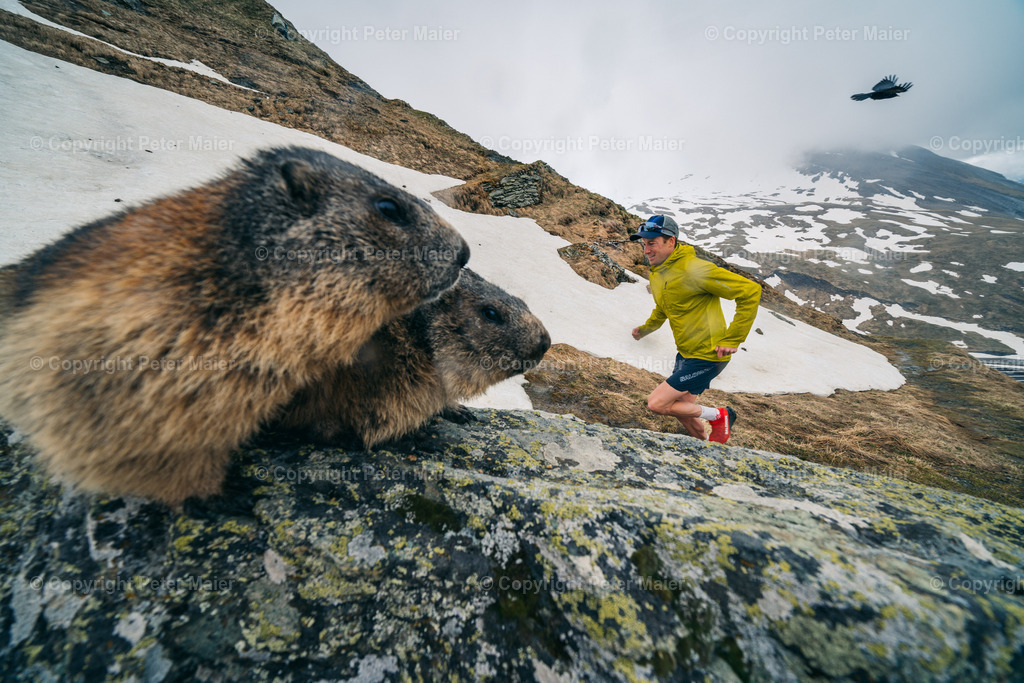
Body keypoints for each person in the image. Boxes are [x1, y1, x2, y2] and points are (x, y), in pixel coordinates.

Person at [630, 215, 761, 443]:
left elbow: (750, 291)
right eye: (644, 244)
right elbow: (663, 308)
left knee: (658, 403)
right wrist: (645, 329)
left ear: (671, 242)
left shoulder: (694, 269)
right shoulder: (659, 273)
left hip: (709, 355)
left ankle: (720, 415)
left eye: (652, 243)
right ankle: (706, 447)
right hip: (686, 353)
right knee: (684, 413)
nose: (646, 250)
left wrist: (733, 338)